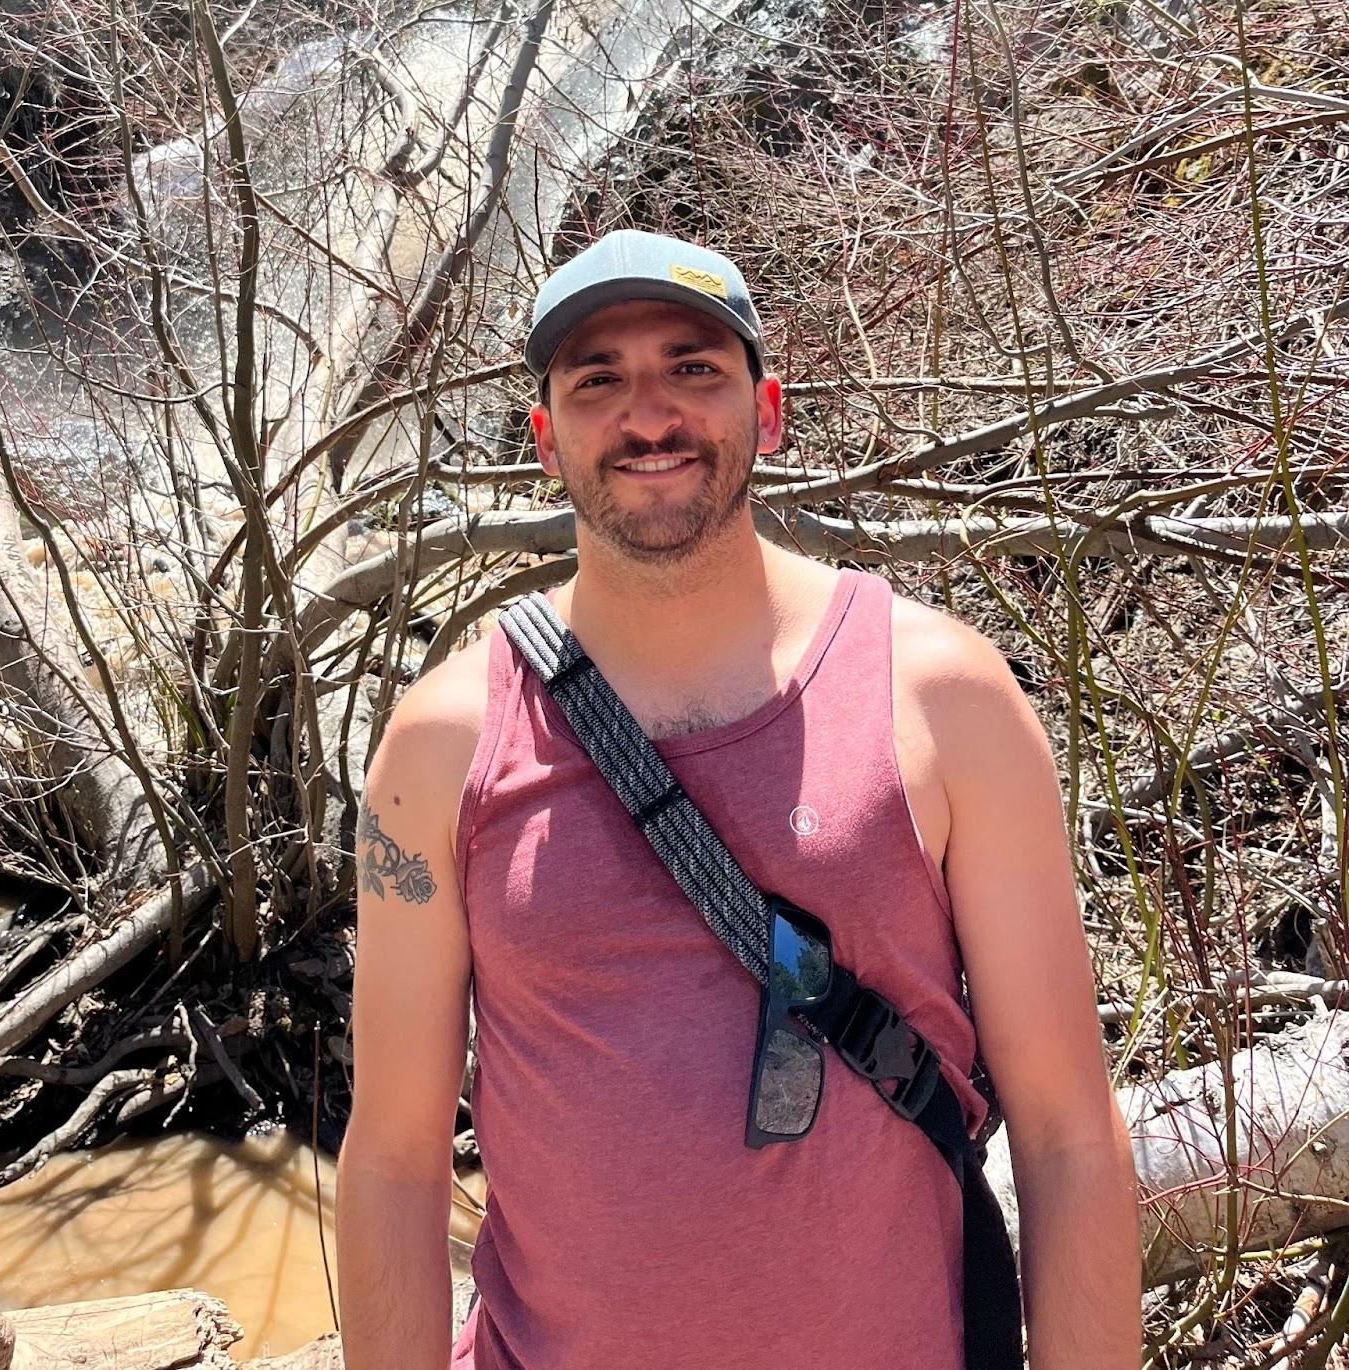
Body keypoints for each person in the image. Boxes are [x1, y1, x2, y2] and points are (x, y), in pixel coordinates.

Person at [335, 229, 1140, 1369]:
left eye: (692, 366)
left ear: (767, 412)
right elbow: (395, 1158)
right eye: (597, 379)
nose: (648, 412)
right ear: (545, 438)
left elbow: (1067, 1132)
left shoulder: (946, 699)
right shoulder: (437, 746)